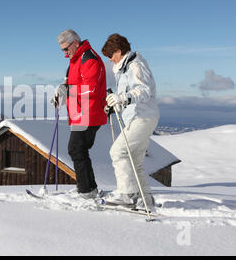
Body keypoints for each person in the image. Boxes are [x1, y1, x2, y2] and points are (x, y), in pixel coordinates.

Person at [101, 33, 159, 209]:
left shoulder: (135, 66)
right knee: (134, 160)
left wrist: (123, 98)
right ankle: (145, 198)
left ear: (119, 51)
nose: (110, 60)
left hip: (142, 117)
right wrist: (115, 104)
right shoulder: (125, 68)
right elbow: (126, 98)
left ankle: (127, 195)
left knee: (118, 152)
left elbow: (144, 90)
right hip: (140, 116)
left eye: (111, 56)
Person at [53, 29, 107, 199]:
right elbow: (70, 84)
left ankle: (86, 191)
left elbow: (90, 88)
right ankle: (89, 188)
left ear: (75, 43)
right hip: (80, 113)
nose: (64, 54)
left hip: (90, 112)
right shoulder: (74, 61)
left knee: (75, 149)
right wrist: (60, 94)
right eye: (62, 50)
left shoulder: (89, 58)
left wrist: (67, 90)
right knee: (79, 150)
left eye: (66, 49)